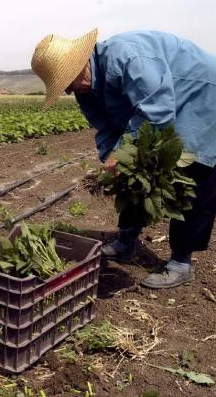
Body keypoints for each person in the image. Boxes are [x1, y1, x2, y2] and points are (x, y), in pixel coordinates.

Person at [31, 29, 216, 289]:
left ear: (80, 64)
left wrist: (122, 152)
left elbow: (158, 113)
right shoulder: (86, 90)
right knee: (132, 168)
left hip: (201, 94)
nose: (69, 92)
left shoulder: (127, 57)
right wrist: (111, 157)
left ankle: (181, 262)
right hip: (163, 103)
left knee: (194, 170)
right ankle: (126, 242)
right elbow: (106, 129)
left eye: (67, 82)